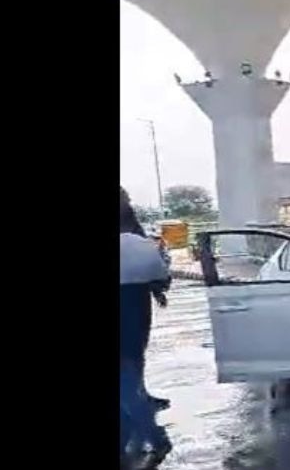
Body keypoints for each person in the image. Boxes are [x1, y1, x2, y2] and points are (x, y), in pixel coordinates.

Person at [121, 191, 172, 466]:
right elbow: (160, 275)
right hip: (137, 306)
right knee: (129, 369)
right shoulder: (139, 242)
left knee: (125, 382)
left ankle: (154, 437)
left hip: (131, 306)